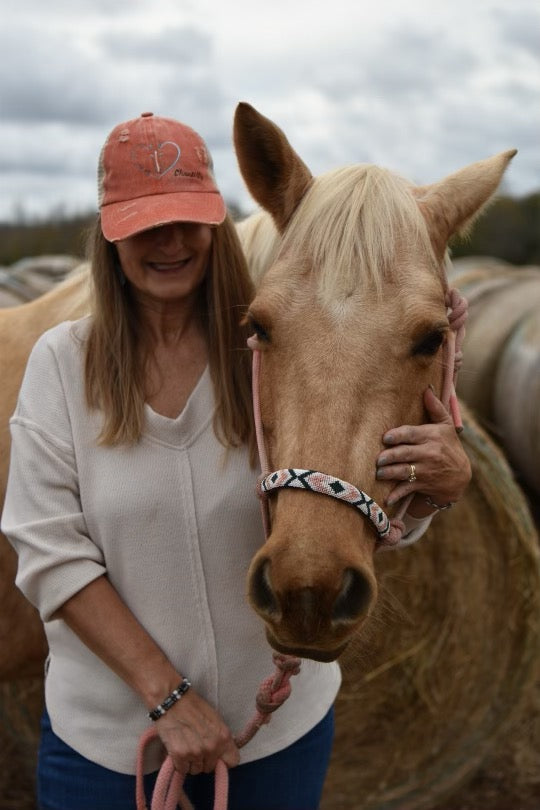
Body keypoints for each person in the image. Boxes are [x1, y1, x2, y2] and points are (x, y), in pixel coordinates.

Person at [1, 112, 471, 810]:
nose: (168, 242)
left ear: (217, 222)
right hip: (108, 746)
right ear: (108, 233)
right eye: (142, 223)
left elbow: (345, 499)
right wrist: (170, 700)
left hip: (277, 736)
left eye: (186, 220)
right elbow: (49, 552)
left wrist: (435, 489)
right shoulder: (64, 364)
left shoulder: (273, 352)